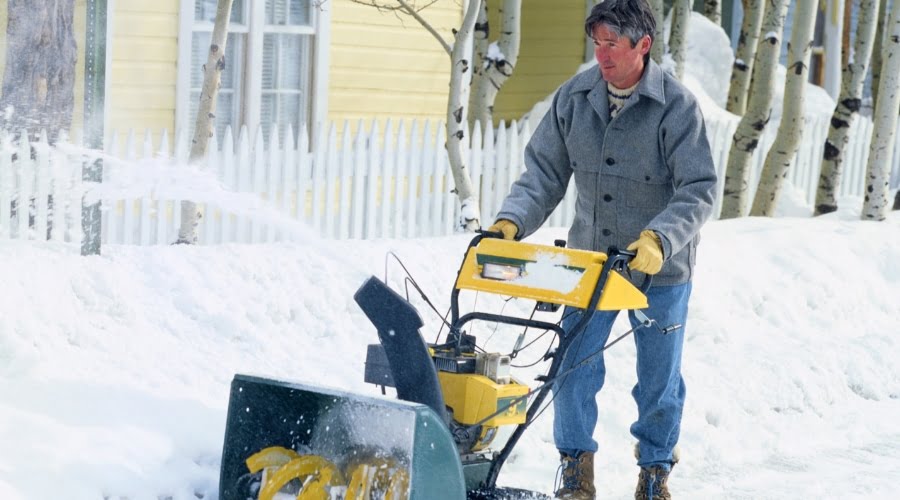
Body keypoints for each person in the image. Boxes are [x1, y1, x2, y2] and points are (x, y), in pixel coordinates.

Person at [487, 0, 717, 498]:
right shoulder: (575, 97)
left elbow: (698, 188)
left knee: (658, 380)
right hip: (590, 262)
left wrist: (660, 236)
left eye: (614, 43)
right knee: (573, 367)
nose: (603, 54)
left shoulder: (676, 106)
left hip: (660, 269)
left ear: (643, 45)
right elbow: (544, 174)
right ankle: (576, 472)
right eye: (598, 43)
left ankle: (654, 472)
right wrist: (511, 222)